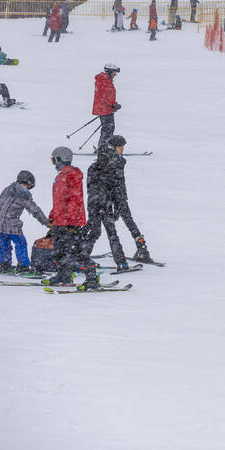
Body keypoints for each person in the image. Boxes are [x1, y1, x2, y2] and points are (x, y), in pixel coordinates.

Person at [46, 146, 98, 289]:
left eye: (53, 160)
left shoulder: (72, 175)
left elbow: (75, 199)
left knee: (77, 252)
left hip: (70, 222)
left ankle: (92, 277)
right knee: (59, 251)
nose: (53, 164)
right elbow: (59, 201)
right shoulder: (60, 176)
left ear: (61, 159)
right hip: (60, 220)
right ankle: (64, 275)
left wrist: (71, 221)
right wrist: (52, 217)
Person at [83, 134, 137, 271]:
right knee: (110, 232)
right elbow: (117, 188)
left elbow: (92, 187)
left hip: (95, 204)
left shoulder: (96, 166)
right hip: (103, 204)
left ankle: (82, 258)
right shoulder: (114, 166)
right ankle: (121, 262)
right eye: (120, 147)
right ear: (113, 148)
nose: (122, 150)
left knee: (95, 232)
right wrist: (117, 205)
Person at [0, 169, 49, 275]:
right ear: (27, 183)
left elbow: (1, 201)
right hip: (10, 223)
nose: (29, 189)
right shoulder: (23, 194)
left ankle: (5, 264)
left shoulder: (8, 189)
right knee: (21, 243)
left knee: (5, 243)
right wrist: (46, 222)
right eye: (30, 186)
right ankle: (23, 266)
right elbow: (34, 210)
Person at [92, 64, 121, 150]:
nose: (115, 74)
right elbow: (105, 96)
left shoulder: (105, 80)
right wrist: (113, 105)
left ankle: (103, 148)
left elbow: (106, 96)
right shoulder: (105, 81)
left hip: (105, 109)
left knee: (107, 129)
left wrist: (113, 105)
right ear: (110, 72)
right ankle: (103, 149)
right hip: (105, 109)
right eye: (114, 72)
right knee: (108, 129)